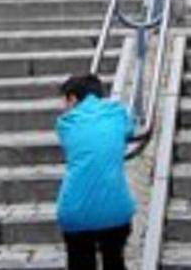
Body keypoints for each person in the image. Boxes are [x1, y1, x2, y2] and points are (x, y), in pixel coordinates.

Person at [55, 74, 136, 270]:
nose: (62, 107)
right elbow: (129, 130)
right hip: (117, 210)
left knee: (80, 260)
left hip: (76, 212)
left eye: (64, 101)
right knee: (114, 259)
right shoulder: (118, 113)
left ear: (73, 99)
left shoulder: (66, 123)